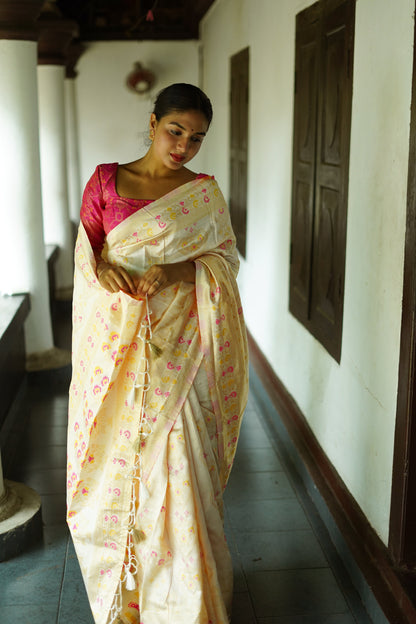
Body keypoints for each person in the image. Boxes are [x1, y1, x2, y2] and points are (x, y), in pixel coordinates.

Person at [67, 83, 249, 624]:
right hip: (114, 351)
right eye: (176, 131)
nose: (184, 146)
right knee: (115, 470)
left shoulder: (203, 193)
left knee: (179, 469)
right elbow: (89, 255)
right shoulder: (105, 180)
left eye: (196, 138)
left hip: (180, 348)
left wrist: (177, 270)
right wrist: (104, 271)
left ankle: (186, 602)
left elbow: (225, 261)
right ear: (152, 123)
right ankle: (127, 601)